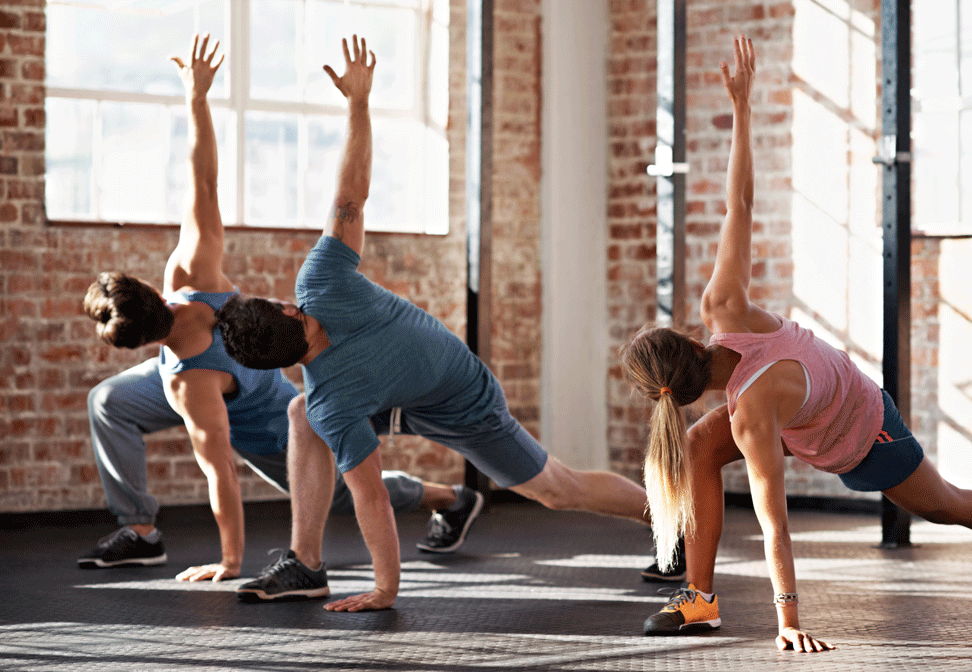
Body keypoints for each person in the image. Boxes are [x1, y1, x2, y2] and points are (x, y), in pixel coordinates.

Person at [621, 35, 972, 652]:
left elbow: (775, 522)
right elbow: (739, 205)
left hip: (863, 431)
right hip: (804, 418)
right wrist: (741, 108)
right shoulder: (723, 315)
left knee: (940, 505)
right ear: (686, 342)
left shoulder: (749, 404)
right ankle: (699, 599)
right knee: (699, 447)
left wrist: (788, 620)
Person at [216, 35, 658, 611]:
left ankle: (673, 516)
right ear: (288, 311)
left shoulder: (329, 352)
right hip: (388, 389)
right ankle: (306, 564)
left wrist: (385, 589)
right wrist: (358, 103)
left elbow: (371, 497)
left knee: (556, 490)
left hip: (460, 398)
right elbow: (351, 197)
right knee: (301, 414)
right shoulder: (320, 313)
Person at [79, 35, 483, 584]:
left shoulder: (190, 388)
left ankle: (449, 498)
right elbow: (203, 181)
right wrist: (197, 98)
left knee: (336, 493)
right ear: (150, 292)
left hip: (259, 415)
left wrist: (228, 562)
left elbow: (220, 472)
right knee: (110, 401)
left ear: (139, 340)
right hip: (197, 370)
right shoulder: (190, 274)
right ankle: (142, 531)